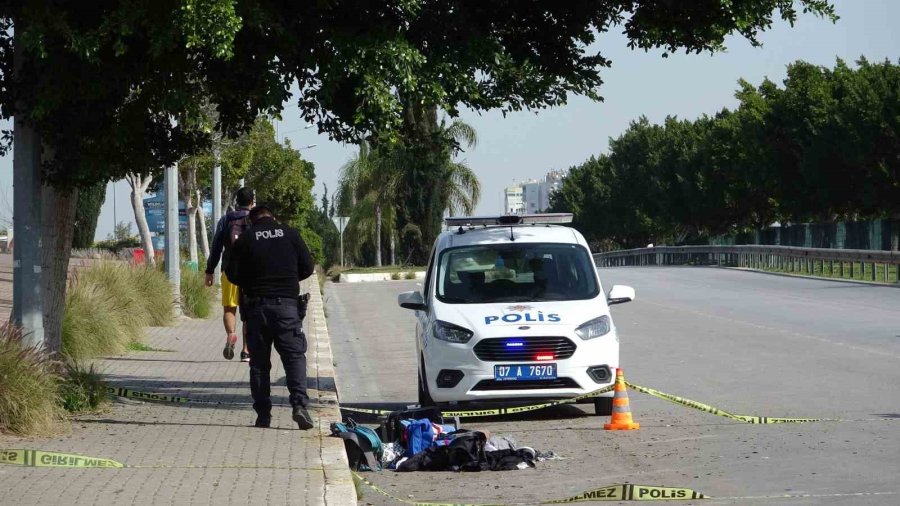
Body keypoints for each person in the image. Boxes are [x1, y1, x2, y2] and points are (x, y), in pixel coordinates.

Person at [225, 203, 316, 430]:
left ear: (251, 221)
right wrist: (289, 277)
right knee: (294, 357)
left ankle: (263, 415)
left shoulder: (246, 239)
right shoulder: (290, 234)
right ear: (273, 217)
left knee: (259, 364)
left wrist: (251, 280)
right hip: (287, 307)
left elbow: (232, 273)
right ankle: (299, 407)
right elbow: (308, 266)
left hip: (257, 310)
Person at [205, 187, 255, 361]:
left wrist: (209, 271)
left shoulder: (226, 219)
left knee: (229, 308)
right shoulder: (255, 219)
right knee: (249, 312)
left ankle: (231, 334)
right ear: (252, 202)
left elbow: (216, 247)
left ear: (236, 201)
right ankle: (246, 351)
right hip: (251, 272)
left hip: (229, 270)